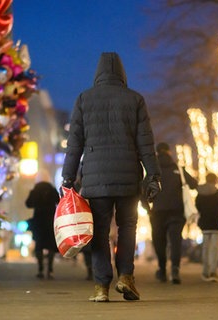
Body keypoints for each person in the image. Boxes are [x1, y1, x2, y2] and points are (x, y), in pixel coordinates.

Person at [61, 52, 161, 302]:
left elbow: (74, 144)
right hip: (128, 175)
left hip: (95, 180)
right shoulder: (135, 99)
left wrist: (67, 177)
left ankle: (101, 287)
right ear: (122, 73)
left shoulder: (84, 99)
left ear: (97, 73)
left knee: (100, 231)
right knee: (128, 227)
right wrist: (153, 174)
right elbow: (146, 143)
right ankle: (126, 276)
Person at [149, 142, 197, 284]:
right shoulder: (179, 169)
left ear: (157, 153)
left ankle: (162, 269)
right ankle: (175, 269)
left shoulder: (152, 170)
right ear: (169, 152)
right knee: (175, 240)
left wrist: (148, 208)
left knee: (159, 241)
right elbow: (194, 184)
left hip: (157, 212)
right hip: (177, 211)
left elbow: (142, 189)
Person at [195, 173, 218, 282]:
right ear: (215, 181)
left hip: (205, 225)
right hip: (216, 225)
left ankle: (205, 272)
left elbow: (197, 208)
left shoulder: (200, 194)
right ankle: (213, 272)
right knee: (214, 249)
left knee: (205, 248)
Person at [25, 181, 60, 280]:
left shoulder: (35, 190)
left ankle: (40, 269)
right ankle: (50, 269)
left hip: (39, 221)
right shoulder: (52, 190)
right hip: (50, 221)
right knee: (51, 246)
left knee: (39, 246)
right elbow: (59, 201)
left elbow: (28, 204)